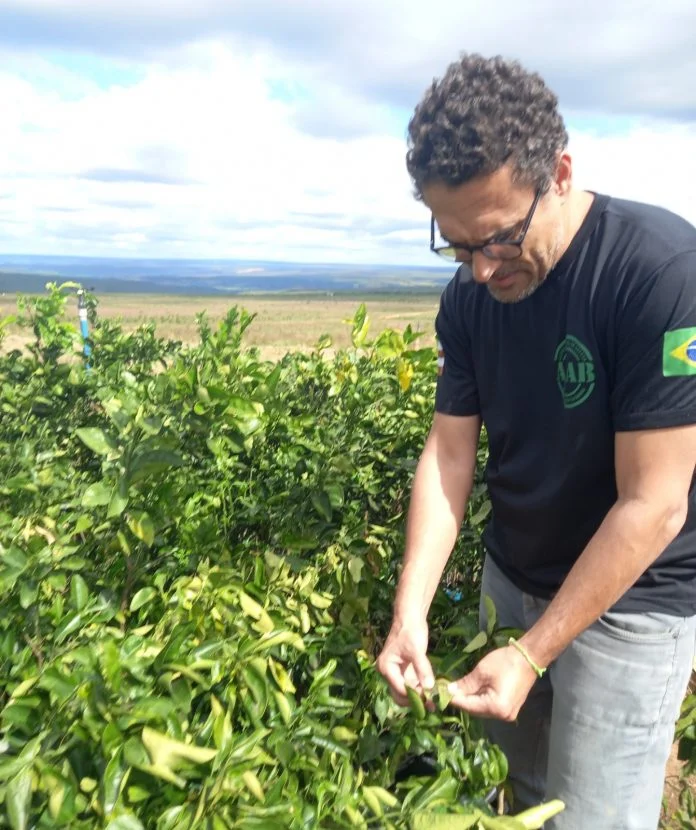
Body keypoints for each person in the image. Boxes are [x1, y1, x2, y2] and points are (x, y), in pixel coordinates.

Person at [376, 53, 696, 830]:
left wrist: (530, 654)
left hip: (633, 602)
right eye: (454, 246)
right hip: (513, 582)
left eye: (498, 239)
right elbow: (449, 456)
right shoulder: (471, 300)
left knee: (590, 817)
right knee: (513, 799)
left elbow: (653, 504)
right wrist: (409, 612)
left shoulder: (660, 272)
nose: (480, 271)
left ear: (558, 172)